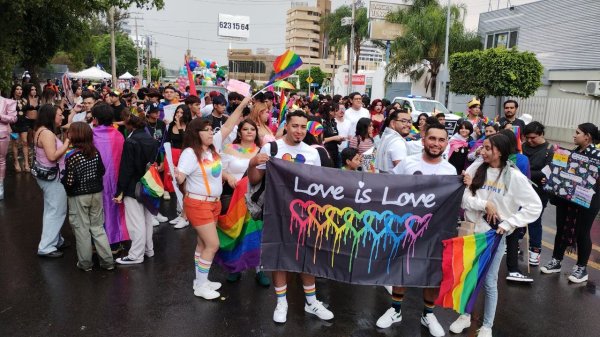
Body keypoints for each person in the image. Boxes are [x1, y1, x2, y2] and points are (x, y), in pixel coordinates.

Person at [449, 133, 541, 337]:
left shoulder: (514, 177)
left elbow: (535, 206)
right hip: (471, 230)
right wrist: (484, 204)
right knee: (468, 275)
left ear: (500, 151)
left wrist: (509, 223)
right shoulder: (476, 168)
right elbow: (464, 199)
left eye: (488, 148)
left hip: (494, 236)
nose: (482, 151)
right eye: (483, 147)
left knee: (489, 281)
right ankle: (464, 315)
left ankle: (487, 325)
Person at [247, 110, 334, 324]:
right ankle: (281, 302)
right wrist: (253, 162)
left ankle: (311, 301)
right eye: (295, 126)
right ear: (286, 125)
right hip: (276, 212)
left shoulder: (312, 153)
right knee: (280, 256)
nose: (299, 131)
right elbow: (255, 179)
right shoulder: (272, 148)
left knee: (307, 257)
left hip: (305, 214)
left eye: (303, 127)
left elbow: (318, 186)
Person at [378, 123, 457, 337]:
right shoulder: (407, 163)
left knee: (431, 271)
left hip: (435, 231)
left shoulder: (450, 171)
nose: (436, 144)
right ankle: (395, 310)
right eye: (432, 139)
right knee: (401, 267)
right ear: (423, 140)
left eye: (441, 140)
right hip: (405, 227)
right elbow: (387, 185)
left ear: (446, 144)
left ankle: (428, 314)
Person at [174, 96, 250, 300]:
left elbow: (229, 124)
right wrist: (178, 175)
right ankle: (200, 285)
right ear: (195, 133)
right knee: (212, 244)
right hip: (198, 204)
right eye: (206, 130)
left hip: (213, 204)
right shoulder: (190, 153)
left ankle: (201, 281)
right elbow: (181, 175)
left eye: (211, 129)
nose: (211, 132)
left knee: (202, 244)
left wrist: (243, 104)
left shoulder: (212, 147)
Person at [541, 123, 600, 283]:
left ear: (587, 136)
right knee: (561, 228)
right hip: (566, 199)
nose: (574, 135)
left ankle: (582, 268)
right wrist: (551, 178)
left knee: (582, 233)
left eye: (577, 133)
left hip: (587, 201)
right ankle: (556, 261)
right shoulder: (571, 154)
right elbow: (561, 174)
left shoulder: (597, 156)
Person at [218, 118, 270, 285]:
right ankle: (236, 268)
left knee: (256, 235)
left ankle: (259, 269)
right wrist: (229, 177)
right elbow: (219, 169)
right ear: (239, 132)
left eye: (252, 129)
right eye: (246, 129)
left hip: (256, 201)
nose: (249, 132)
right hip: (234, 198)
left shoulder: (262, 151)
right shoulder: (229, 149)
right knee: (237, 233)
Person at [61, 122, 114, 271]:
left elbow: (70, 181)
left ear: (75, 135)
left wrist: (63, 179)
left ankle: (85, 264)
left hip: (78, 197)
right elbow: (102, 171)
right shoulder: (95, 152)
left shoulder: (71, 156)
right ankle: (108, 262)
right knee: (98, 228)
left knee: (82, 230)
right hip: (96, 193)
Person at [113, 114, 160, 265]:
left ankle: (136, 254)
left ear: (129, 126)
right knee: (147, 219)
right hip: (148, 185)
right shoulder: (152, 140)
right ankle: (149, 249)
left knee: (135, 222)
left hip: (133, 186)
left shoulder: (130, 141)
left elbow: (126, 168)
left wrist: (120, 190)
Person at [34, 104, 71, 258]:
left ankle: (55, 239)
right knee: (57, 211)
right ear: (50, 116)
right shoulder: (47, 133)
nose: (61, 117)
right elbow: (52, 156)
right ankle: (47, 247)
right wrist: (68, 142)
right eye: (59, 114)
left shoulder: (41, 130)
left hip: (48, 176)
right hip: (53, 177)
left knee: (51, 209)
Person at [91, 103, 128, 253]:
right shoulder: (118, 135)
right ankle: (114, 242)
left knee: (97, 212)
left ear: (95, 119)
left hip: (97, 180)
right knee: (115, 210)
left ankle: (97, 244)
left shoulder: (92, 135)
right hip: (117, 179)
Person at [497, 129, 533, 282]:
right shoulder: (523, 159)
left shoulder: (495, 157)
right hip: (514, 203)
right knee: (512, 236)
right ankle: (512, 269)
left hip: (494, 202)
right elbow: (527, 181)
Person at [522, 121, 553, 266]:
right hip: (520, 189)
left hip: (539, 192)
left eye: (533, 138)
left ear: (541, 134)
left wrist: (525, 172)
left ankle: (535, 251)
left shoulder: (550, 150)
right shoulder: (522, 147)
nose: (529, 141)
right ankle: (514, 243)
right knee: (517, 217)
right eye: (527, 137)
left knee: (534, 221)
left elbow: (546, 173)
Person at [165, 104, 192, 228]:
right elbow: (167, 140)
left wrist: (180, 127)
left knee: (185, 187)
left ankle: (185, 217)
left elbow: (185, 141)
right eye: (177, 112)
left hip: (185, 156)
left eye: (181, 112)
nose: (179, 114)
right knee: (176, 187)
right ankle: (181, 214)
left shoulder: (189, 126)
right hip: (173, 155)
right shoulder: (171, 125)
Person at [375, 109, 418, 173]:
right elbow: (402, 171)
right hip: (394, 181)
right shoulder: (397, 142)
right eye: (403, 121)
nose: (408, 125)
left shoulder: (387, 137)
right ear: (392, 123)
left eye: (409, 122)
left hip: (384, 180)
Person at [9, 84, 29, 172]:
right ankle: (16, 162)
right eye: (17, 89)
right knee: (15, 143)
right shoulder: (9, 101)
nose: (19, 91)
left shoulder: (24, 100)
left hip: (23, 124)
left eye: (21, 89)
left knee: (25, 142)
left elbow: (26, 111)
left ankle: (26, 162)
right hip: (13, 125)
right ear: (14, 91)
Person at [0, 96, 17, 199]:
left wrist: (1, 116)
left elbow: (13, 118)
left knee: (1, 160)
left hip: (1, 135)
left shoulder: (8, 102)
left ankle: (0, 185)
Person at [320, 103, 343, 168]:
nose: (338, 112)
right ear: (330, 112)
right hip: (326, 152)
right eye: (336, 110)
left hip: (335, 152)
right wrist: (334, 138)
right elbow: (320, 140)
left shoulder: (333, 122)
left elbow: (335, 135)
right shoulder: (322, 122)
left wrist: (339, 140)